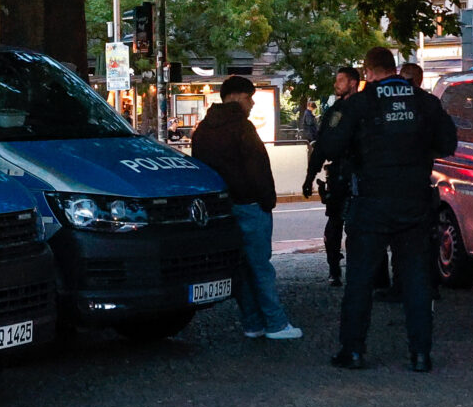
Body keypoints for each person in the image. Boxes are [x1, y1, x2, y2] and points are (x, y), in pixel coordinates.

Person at [315, 47, 457, 371]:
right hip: (414, 201)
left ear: (367, 72)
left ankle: (353, 350)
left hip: (372, 201)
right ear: (393, 69)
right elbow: (448, 144)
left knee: (361, 280)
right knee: (417, 279)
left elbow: (331, 147)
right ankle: (420, 355)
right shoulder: (423, 101)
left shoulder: (360, 103)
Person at [191, 75, 301, 341]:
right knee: (261, 267)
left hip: (222, 209)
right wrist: (267, 201)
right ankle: (276, 323)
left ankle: (252, 322)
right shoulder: (242, 127)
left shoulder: (203, 130)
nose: (252, 103)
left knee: (239, 267)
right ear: (237, 96)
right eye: (249, 97)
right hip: (250, 205)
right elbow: (258, 169)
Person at [301, 67, 362, 285]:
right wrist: (310, 176)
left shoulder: (358, 107)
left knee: (356, 225)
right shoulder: (336, 109)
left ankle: (352, 271)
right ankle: (335, 269)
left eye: (341, 80)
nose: (336, 85)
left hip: (358, 172)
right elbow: (323, 146)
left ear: (353, 82)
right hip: (342, 172)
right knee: (336, 224)